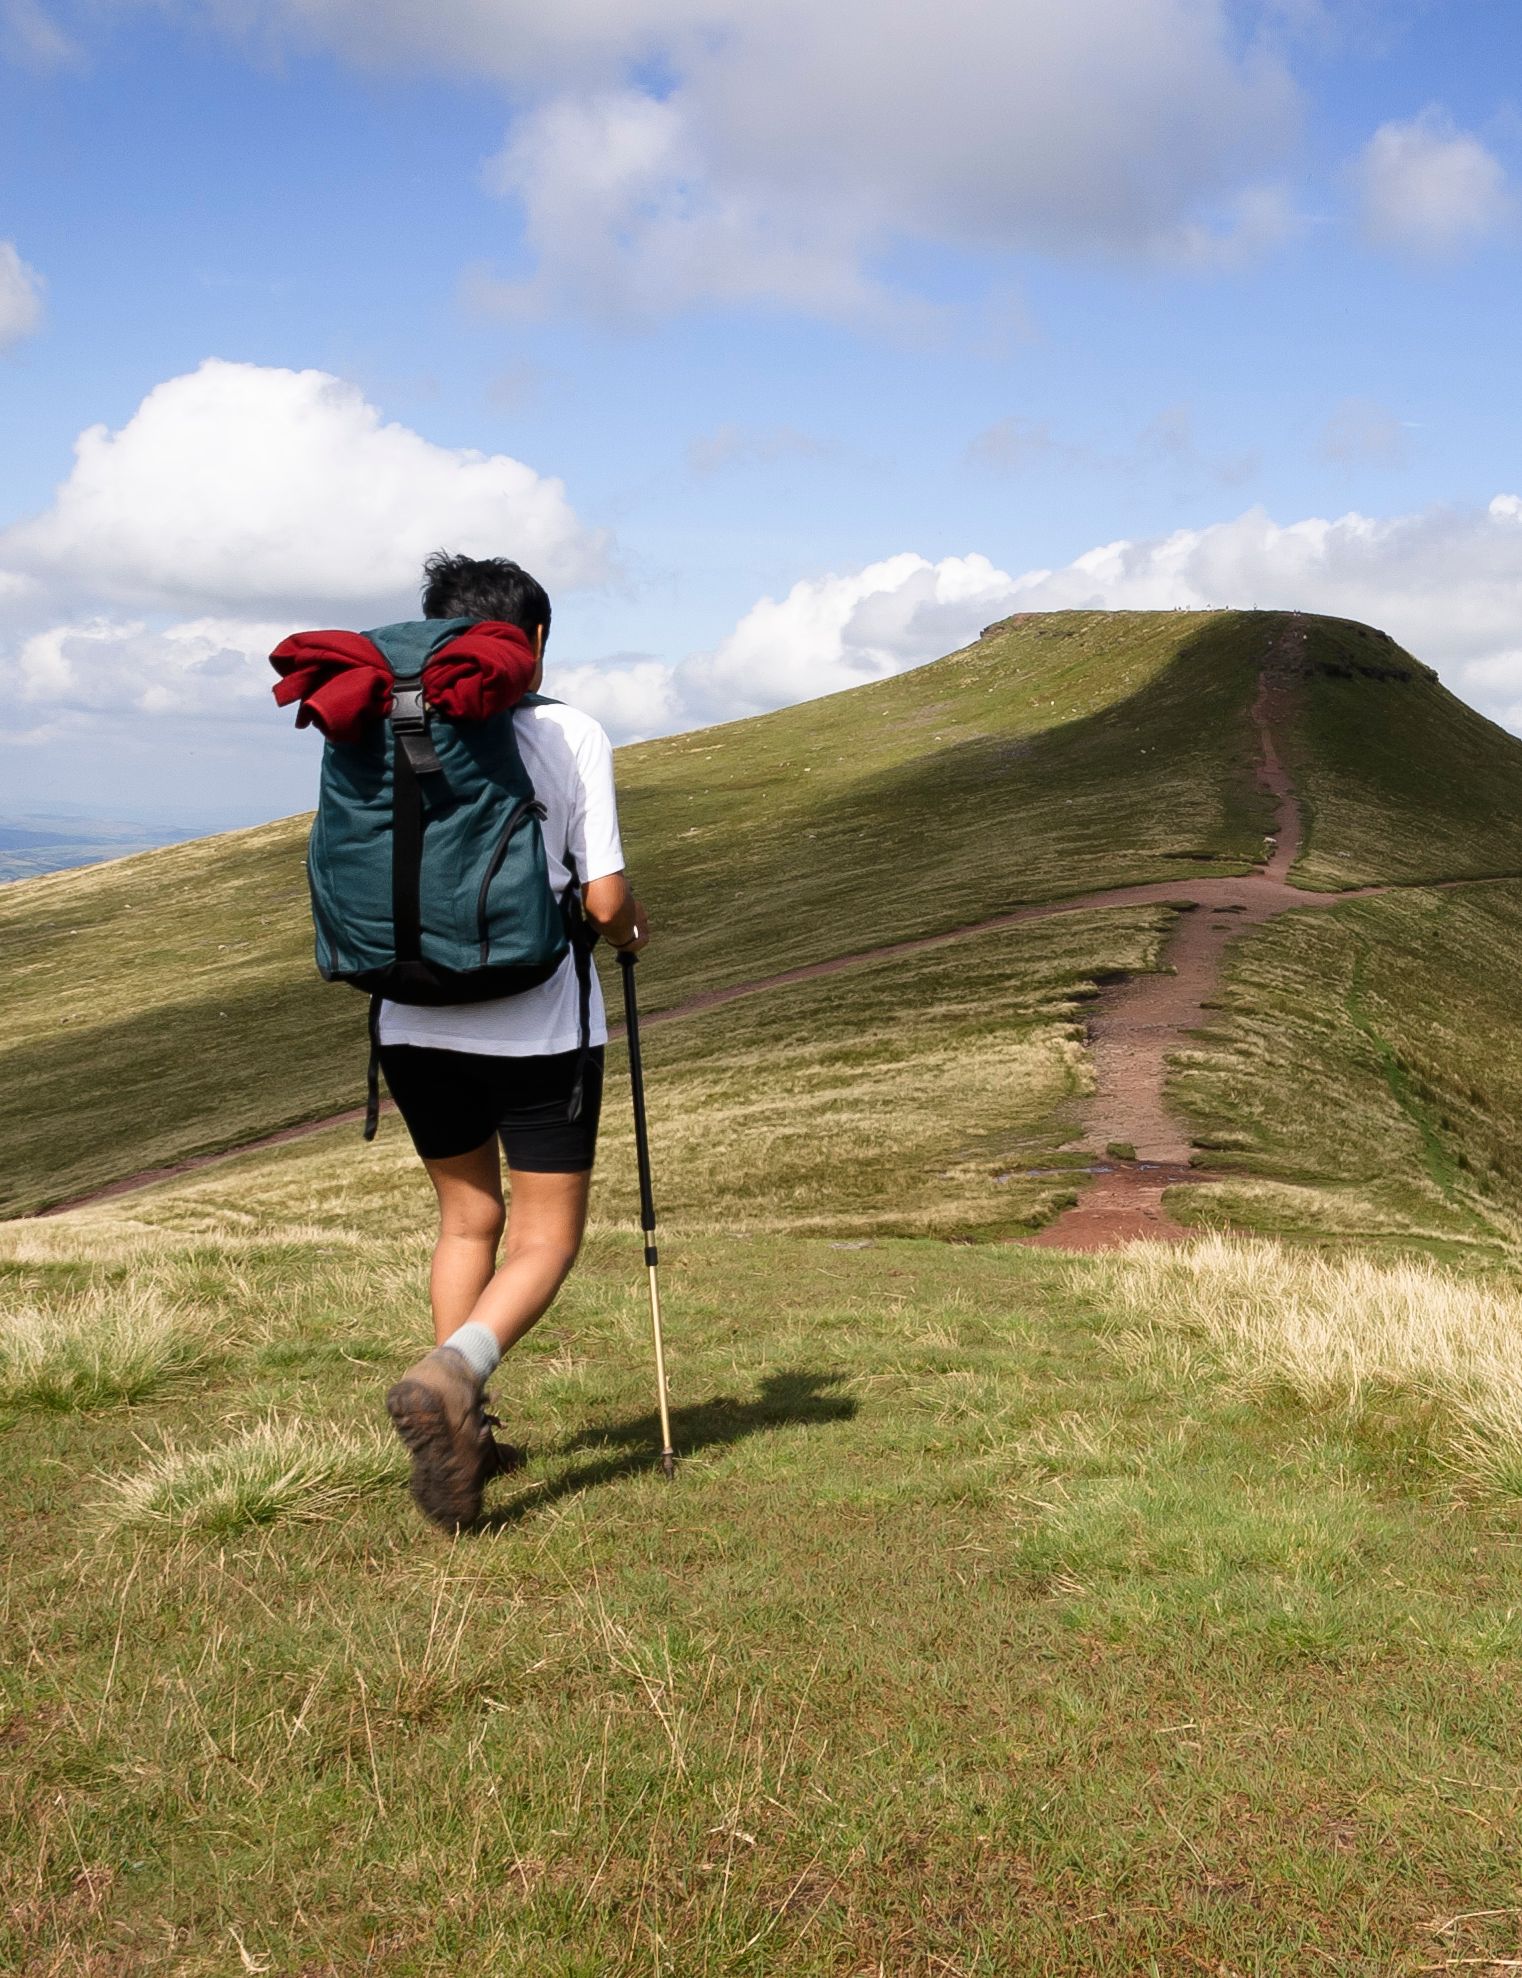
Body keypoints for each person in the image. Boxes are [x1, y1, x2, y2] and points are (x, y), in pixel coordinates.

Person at [381, 551, 647, 1532]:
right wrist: (629, 931)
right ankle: (453, 1380)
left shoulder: (387, 723)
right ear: (530, 643)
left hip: (409, 1019)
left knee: (466, 1222)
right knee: (545, 1236)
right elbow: (605, 897)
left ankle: (469, 1430)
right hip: (539, 1026)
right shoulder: (566, 730)